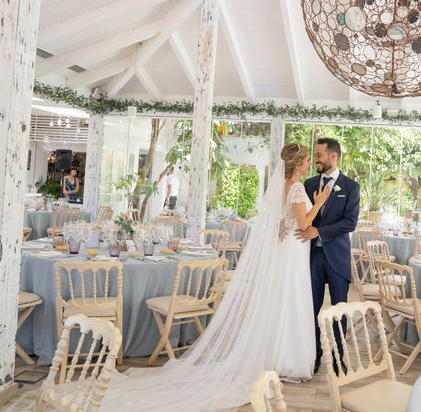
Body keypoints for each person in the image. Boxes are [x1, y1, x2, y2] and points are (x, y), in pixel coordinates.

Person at [99, 144, 331, 411]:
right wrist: (320, 203)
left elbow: (283, 221)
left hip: (287, 248)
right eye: (305, 160)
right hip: (292, 249)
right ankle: (286, 358)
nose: (308, 163)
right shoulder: (298, 187)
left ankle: (276, 354)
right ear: (298, 163)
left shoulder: (280, 187)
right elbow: (303, 224)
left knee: (282, 299)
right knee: (290, 299)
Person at [296, 138, 360, 373]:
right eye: (315, 154)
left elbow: (350, 223)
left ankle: (337, 357)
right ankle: (313, 355)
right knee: (309, 308)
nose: (316, 159)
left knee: (339, 310)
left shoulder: (351, 186)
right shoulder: (308, 183)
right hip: (311, 258)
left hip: (337, 257)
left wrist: (319, 231)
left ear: (334, 156)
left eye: (320, 154)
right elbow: (301, 215)